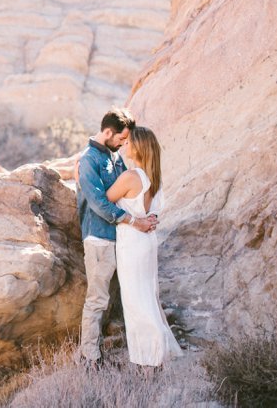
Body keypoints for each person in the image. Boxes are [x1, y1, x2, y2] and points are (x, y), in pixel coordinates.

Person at [76, 107, 156, 364]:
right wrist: (134, 221)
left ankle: (123, 349)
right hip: (99, 239)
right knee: (97, 299)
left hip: (121, 239)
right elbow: (99, 203)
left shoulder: (114, 156)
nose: (123, 144)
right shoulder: (89, 159)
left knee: (122, 298)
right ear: (108, 132)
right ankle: (89, 358)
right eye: (121, 139)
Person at [106, 126, 183, 367]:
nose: (125, 146)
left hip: (132, 243)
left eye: (129, 142)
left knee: (136, 301)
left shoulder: (131, 177)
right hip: (147, 242)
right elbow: (153, 213)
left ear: (138, 147)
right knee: (148, 295)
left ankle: (150, 358)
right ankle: (157, 353)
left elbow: (106, 198)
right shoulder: (154, 178)